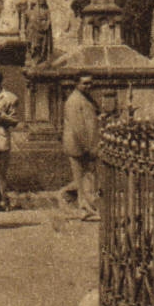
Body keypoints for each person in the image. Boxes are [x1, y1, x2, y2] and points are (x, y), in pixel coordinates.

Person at [59, 73, 101, 220]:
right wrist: (87, 146)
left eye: (90, 83)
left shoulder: (86, 98)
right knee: (82, 178)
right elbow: (78, 127)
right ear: (76, 84)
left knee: (86, 177)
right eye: (85, 83)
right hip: (78, 144)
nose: (88, 86)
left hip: (86, 143)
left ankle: (73, 199)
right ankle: (84, 209)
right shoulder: (74, 101)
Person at [0, 69, 21, 210]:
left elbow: (14, 121)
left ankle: (3, 201)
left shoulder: (10, 98)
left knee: (0, 172)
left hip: (0, 139)